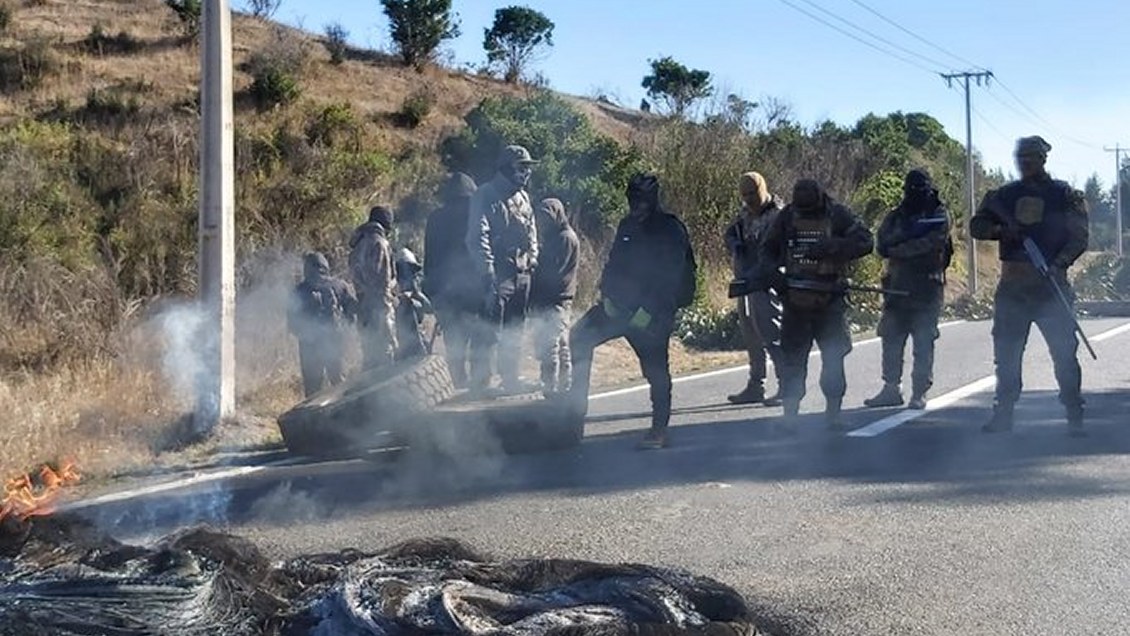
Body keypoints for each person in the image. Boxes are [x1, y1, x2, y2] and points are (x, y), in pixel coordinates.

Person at [971, 136, 1089, 436]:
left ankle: (1074, 414)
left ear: (1042, 159)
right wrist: (1002, 230)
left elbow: (1079, 237)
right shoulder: (1004, 196)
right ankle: (1003, 413)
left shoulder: (1063, 195)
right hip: (1013, 287)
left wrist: (1059, 263)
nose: (1024, 163)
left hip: (1051, 287)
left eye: (1030, 157)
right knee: (1007, 355)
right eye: (1020, 157)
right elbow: (977, 226)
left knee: (1064, 354)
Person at [569, 174, 697, 450]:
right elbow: (613, 263)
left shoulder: (670, 229)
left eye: (642, 201)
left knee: (656, 370)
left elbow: (670, 278)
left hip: (654, 312)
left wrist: (647, 312)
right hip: (620, 308)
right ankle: (574, 419)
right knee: (579, 336)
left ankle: (659, 430)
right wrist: (607, 296)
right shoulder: (627, 225)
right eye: (633, 200)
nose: (636, 206)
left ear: (653, 200)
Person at [758, 179, 874, 429]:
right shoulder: (787, 216)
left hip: (829, 300)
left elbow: (866, 241)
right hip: (795, 301)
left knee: (833, 359)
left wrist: (833, 246)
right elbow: (767, 249)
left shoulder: (838, 214)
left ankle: (833, 415)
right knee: (793, 361)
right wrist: (773, 275)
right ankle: (790, 416)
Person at [864, 169, 953, 410]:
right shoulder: (896, 216)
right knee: (891, 336)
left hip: (927, 287)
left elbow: (933, 242)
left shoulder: (939, 214)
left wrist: (901, 248)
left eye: (919, 188)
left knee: (924, 340)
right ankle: (891, 388)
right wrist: (900, 245)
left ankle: (919, 392)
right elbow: (882, 243)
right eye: (911, 189)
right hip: (897, 285)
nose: (915, 193)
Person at [466, 145, 540, 394]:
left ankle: (511, 379)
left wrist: (532, 259)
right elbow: (477, 236)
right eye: (522, 167)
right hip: (498, 274)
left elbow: (532, 231)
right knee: (489, 330)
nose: (526, 173)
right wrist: (487, 271)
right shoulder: (485, 194)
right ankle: (481, 383)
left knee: (515, 330)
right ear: (507, 168)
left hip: (522, 272)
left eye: (528, 168)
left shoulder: (523, 197)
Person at [723, 171, 784, 406]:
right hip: (746, 281)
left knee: (771, 334)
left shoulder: (778, 215)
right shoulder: (744, 214)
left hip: (768, 282)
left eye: (752, 193)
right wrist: (735, 244)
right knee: (751, 335)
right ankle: (756, 385)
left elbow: (783, 249)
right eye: (745, 194)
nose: (749, 199)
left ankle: (786, 384)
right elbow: (730, 233)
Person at [423, 173, 478, 386]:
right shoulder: (475, 215)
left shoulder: (435, 218)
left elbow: (429, 257)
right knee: (477, 334)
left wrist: (431, 289)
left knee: (454, 338)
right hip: (473, 288)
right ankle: (478, 380)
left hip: (446, 289)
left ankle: (458, 378)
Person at [287, 251, 358, 397]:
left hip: (310, 345)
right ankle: (345, 410)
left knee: (312, 388)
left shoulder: (300, 290)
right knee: (339, 383)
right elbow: (352, 310)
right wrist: (345, 329)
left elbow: (293, 322)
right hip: (335, 340)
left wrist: (305, 336)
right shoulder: (339, 285)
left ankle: (313, 412)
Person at [530, 198, 580, 397]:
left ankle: (553, 386)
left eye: (547, 217)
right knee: (557, 344)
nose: (543, 222)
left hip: (557, 298)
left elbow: (553, 271)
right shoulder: (556, 237)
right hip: (553, 297)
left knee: (552, 345)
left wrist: (535, 273)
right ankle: (561, 385)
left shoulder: (565, 238)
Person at [349, 205, 398, 370]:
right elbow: (381, 284)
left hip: (363, 306)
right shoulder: (380, 244)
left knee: (370, 354)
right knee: (385, 354)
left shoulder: (359, 243)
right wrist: (387, 315)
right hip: (378, 307)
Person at [394, 247, 433, 361]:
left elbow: (428, 308)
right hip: (399, 339)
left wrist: (414, 294)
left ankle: (419, 349)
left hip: (415, 336)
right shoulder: (393, 285)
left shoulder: (414, 289)